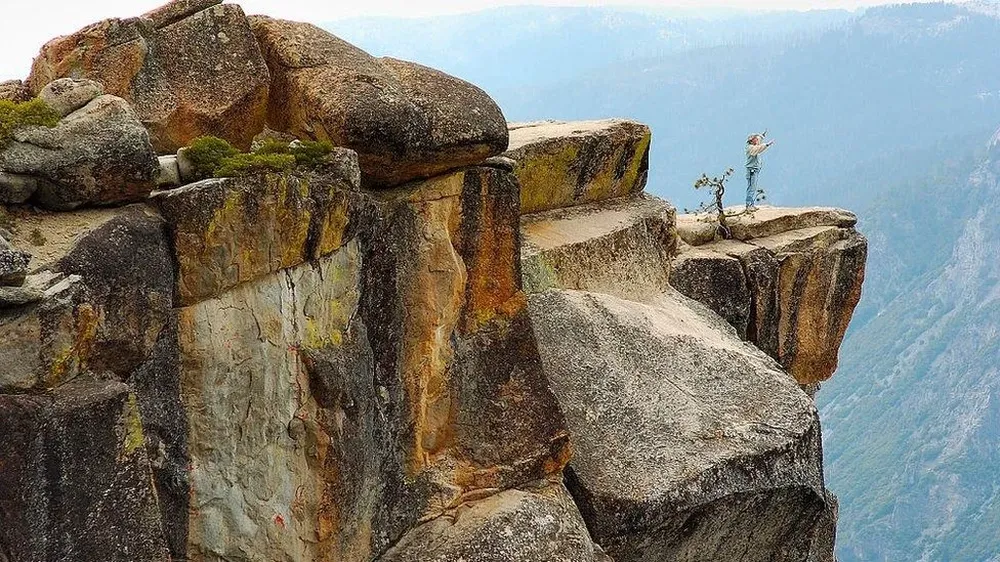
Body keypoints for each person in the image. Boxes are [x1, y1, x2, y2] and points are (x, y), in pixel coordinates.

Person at [745, 131, 774, 209]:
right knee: (751, 188)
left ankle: (750, 204)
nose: (757, 140)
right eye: (755, 139)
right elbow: (758, 148)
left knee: (751, 187)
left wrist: (762, 136)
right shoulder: (751, 148)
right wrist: (767, 144)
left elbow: (758, 142)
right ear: (752, 140)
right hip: (752, 170)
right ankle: (749, 205)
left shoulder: (752, 145)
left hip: (753, 169)